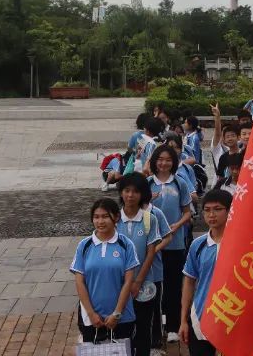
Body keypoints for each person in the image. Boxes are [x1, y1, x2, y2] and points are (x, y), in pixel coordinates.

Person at [71, 198, 140, 347]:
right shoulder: (84, 245)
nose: (100, 221)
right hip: (91, 318)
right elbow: (79, 281)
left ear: (116, 217)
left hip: (122, 316)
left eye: (105, 216)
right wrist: (90, 313)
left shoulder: (126, 245)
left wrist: (117, 313)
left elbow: (128, 282)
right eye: (96, 217)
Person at [116, 173, 167, 356]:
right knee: (122, 329)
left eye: (135, 191)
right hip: (118, 285)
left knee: (144, 327)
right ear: (121, 192)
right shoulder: (113, 220)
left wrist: (137, 282)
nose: (130, 195)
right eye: (126, 191)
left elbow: (150, 253)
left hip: (144, 284)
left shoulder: (149, 219)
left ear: (142, 194)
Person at [147, 144, 193, 344]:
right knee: (154, 284)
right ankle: (156, 325)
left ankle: (173, 326)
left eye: (168, 160)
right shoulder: (148, 184)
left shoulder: (180, 183)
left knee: (174, 285)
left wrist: (176, 226)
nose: (164, 163)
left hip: (175, 244)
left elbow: (188, 211)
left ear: (173, 162)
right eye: (160, 159)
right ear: (154, 161)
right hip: (152, 245)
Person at [178, 189, 233, 356]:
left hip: (233, 318)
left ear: (230, 210)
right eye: (207, 210)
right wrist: (183, 320)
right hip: (201, 316)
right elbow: (189, 281)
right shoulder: (198, 245)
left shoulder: (242, 245)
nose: (211, 215)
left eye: (217, 209)